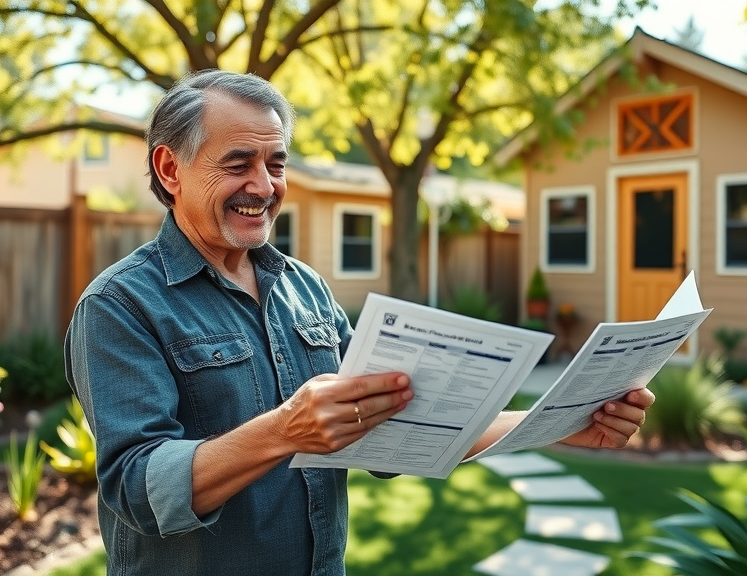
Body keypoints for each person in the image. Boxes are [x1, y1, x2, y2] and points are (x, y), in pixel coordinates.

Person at [65, 70, 655, 576]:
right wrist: (284, 431)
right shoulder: (120, 305)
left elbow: (398, 427)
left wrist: (560, 424)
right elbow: (137, 489)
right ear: (170, 169)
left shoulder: (304, 288)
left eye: (276, 164)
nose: (264, 187)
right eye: (238, 164)